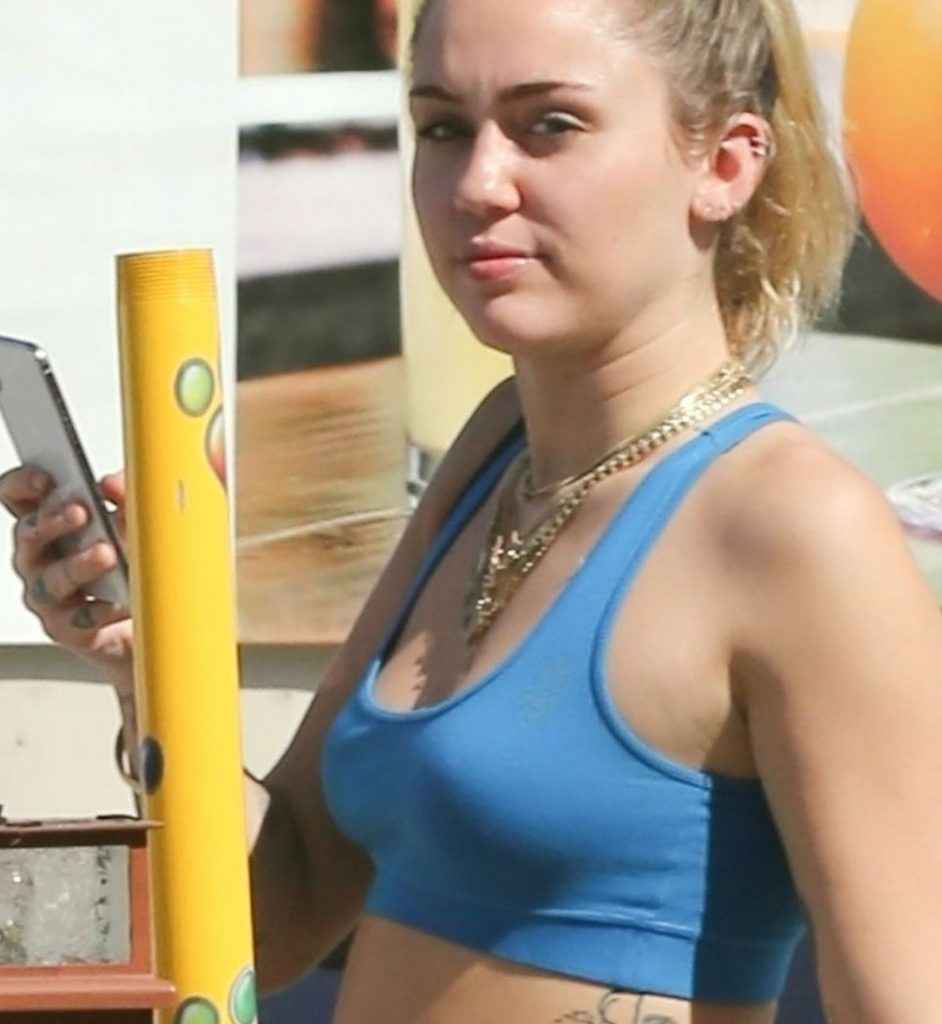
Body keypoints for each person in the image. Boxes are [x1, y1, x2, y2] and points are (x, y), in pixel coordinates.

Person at [3, 0, 942, 1021]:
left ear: (724, 163)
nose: (479, 183)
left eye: (551, 125)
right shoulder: (497, 453)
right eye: (444, 126)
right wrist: (152, 668)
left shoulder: (797, 524)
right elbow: (278, 917)